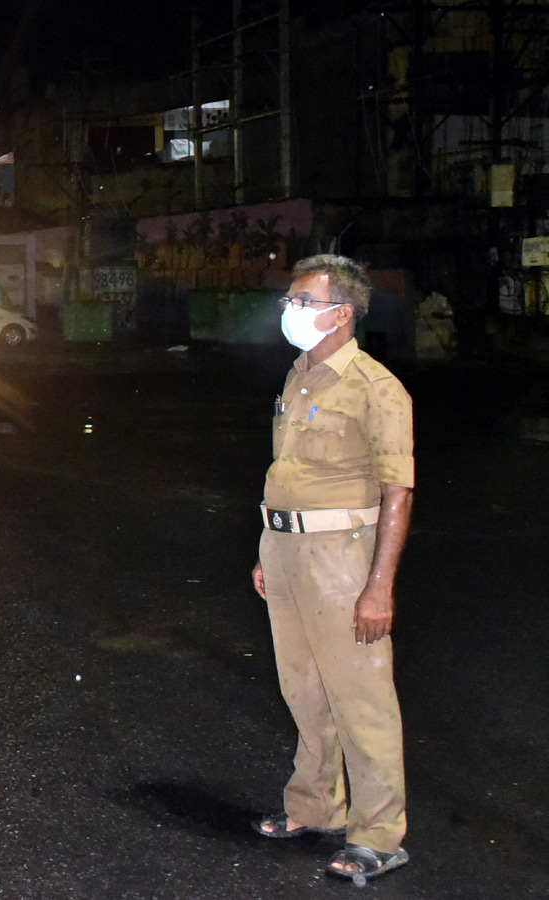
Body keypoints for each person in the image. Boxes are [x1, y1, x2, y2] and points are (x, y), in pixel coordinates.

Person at [250, 255, 415, 884]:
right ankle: (316, 806)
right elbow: (285, 472)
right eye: (292, 299)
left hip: (343, 559)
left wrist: (379, 587)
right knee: (304, 689)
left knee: (361, 699)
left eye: (302, 300)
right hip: (286, 551)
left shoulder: (377, 388)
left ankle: (379, 834)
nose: (289, 310)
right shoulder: (298, 375)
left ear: (340, 313)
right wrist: (267, 549)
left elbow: (397, 493)